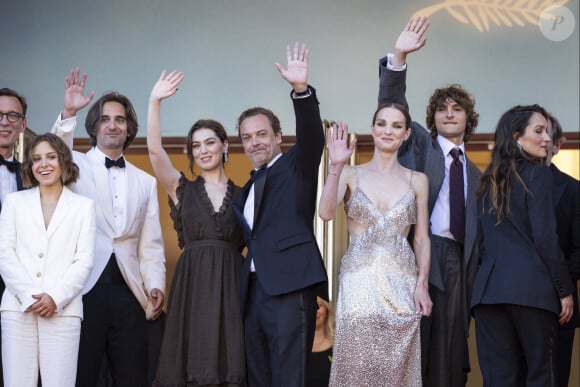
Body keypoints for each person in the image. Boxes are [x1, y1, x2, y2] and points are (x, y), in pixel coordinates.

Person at [378, 16, 481, 387]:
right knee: (416, 340)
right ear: (431, 119)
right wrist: (400, 57)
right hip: (420, 252)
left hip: (459, 261)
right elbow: (392, 108)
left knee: (453, 349)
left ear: (468, 119)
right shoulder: (419, 145)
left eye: (456, 109)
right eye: (441, 109)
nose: (448, 113)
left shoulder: (481, 176)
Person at [52, 69, 166, 387]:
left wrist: (155, 284)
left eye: (119, 119)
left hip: (130, 293)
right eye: (105, 118)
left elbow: (151, 243)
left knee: (132, 375)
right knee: (81, 375)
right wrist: (69, 113)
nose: (112, 124)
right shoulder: (74, 165)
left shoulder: (146, 182)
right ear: (95, 126)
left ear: (128, 128)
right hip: (83, 289)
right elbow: (55, 153)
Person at [232, 42, 328, 387]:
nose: (255, 142)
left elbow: (313, 138)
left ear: (278, 136)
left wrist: (301, 92)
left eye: (261, 134)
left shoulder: (295, 166)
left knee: (290, 377)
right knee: (258, 375)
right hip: (252, 292)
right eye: (247, 138)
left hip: (290, 288)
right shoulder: (244, 190)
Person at [319, 105, 432, 385]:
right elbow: (325, 213)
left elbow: (421, 238)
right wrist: (335, 166)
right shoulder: (349, 173)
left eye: (396, 126)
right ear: (372, 129)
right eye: (381, 124)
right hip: (359, 282)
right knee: (357, 364)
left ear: (406, 134)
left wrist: (422, 284)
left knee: (398, 369)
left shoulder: (417, 180)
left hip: (402, 283)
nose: (387, 131)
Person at [146, 70, 246, 386]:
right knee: (190, 360)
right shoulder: (182, 189)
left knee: (229, 360)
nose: (203, 150)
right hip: (192, 284)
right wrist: (154, 101)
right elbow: (154, 152)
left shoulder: (246, 195)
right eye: (196, 146)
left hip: (232, 285)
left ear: (225, 146)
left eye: (210, 143)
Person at [471, 104, 574, 386]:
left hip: (488, 296)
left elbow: (480, 243)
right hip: (532, 292)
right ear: (517, 136)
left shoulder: (485, 181)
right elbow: (546, 238)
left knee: (499, 380)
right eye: (538, 131)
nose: (547, 139)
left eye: (549, 132)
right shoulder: (539, 174)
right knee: (541, 376)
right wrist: (564, 290)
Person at [0, 133, 95, 387]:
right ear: (30, 166)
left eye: (51, 157)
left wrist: (55, 297)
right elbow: (5, 254)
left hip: (63, 310)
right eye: (36, 159)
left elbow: (84, 261)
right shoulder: (14, 202)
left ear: (63, 161)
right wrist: (31, 294)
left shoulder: (83, 207)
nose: (44, 164)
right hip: (18, 308)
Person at [546, 114, 580, 387]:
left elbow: (579, 249)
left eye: (547, 136)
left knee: (557, 376)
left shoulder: (573, 190)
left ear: (557, 145)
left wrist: (560, 286)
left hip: (561, 304)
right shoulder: (504, 187)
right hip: (516, 301)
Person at [0, 88, 28, 387]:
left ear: (22, 123)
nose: (4, 122)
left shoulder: (31, 174)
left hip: (18, 287)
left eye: (12, 115)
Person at [307, 296, 335, 387]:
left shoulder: (338, 347)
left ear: (327, 311)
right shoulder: (295, 348)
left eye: (319, 305)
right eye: (311, 305)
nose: (315, 310)